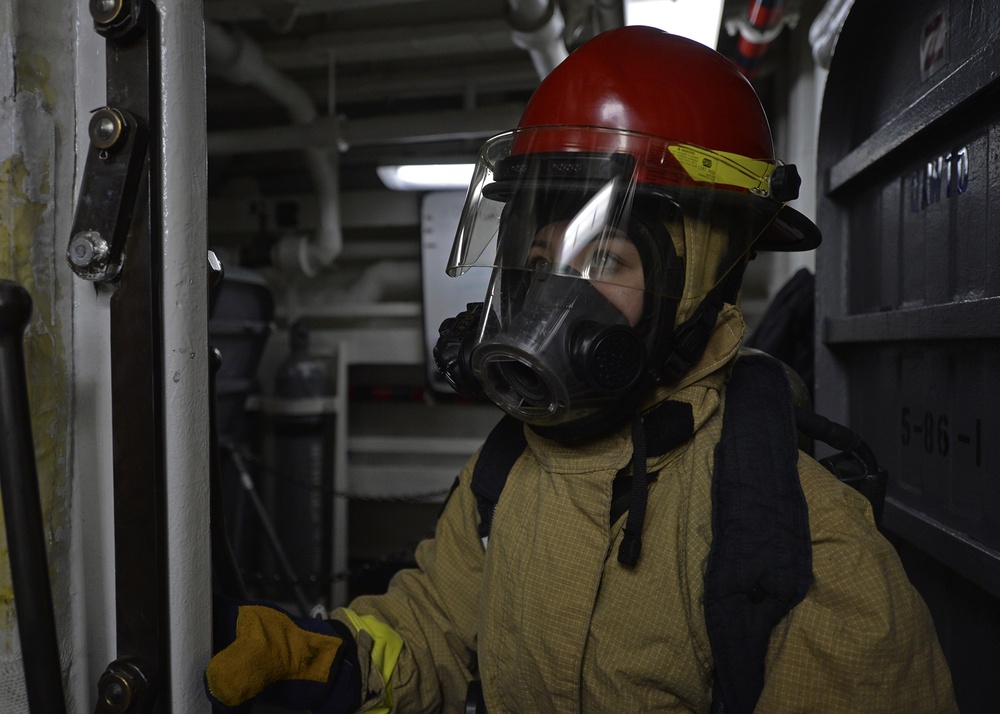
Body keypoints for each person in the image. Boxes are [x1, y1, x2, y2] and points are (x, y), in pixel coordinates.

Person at [204, 26, 958, 714]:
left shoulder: (803, 546)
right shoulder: (506, 472)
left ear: (707, 281)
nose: (553, 299)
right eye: (540, 259)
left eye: (604, 259)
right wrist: (345, 662)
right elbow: (436, 624)